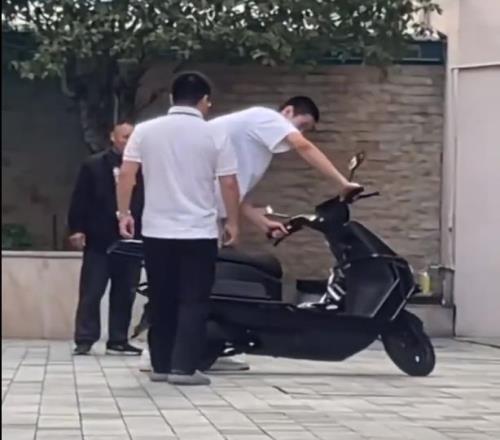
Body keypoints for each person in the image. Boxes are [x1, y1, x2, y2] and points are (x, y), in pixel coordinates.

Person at [138, 96, 362, 373]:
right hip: (194, 214)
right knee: (183, 285)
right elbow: (303, 146)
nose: (299, 133)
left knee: (203, 285)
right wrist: (343, 183)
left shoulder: (250, 138)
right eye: (301, 125)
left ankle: (210, 347)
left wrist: (261, 222)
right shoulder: (265, 118)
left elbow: (234, 190)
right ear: (287, 111)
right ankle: (155, 353)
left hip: (205, 213)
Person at [116, 71, 240, 386]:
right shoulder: (216, 134)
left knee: (161, 297)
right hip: (199, 232)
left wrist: (124, 213)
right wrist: (232, 221)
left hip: (157, 230)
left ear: (172, 97)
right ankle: (183, 368)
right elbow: (228, 182)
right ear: (205, 100)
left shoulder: (145, 131)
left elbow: (127, 174)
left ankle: (160, 365)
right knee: (193, 300)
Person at [68, 120, 144, 356]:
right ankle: (85, 338)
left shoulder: (144, 167)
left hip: (131, 239)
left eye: (133, 137)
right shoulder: (94, 165)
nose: (128, 142)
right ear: (113, 137)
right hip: (99, 237)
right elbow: (80, 198)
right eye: (124, 137)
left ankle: (118, 339)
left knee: (125, 290)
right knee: (92, 290)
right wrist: (77, 228)